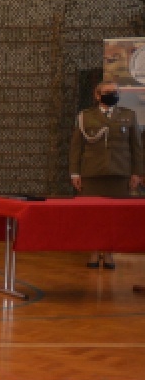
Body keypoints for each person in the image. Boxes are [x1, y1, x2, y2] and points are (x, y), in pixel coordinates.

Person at [69, 80, 142, 269]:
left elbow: (137, 147)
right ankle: (94, 251)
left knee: (115, 217)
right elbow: (76, 147)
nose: (113, 95)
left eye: (115, 92)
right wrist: (75, 173)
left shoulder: (129, 115)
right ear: (97, 95)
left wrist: (137, 173)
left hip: (120, 173)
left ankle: (109, 253)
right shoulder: (85, 117)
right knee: (93, 216)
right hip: (92, 173)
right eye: (108, 92)